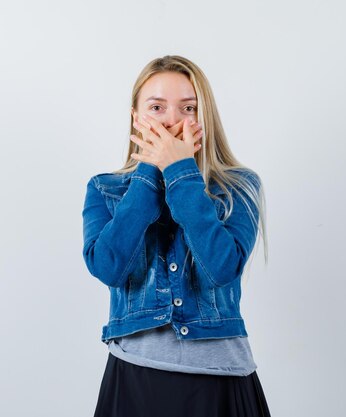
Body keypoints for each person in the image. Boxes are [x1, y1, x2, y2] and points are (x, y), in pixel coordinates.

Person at [81, 55, 272, 417]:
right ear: (136, 116)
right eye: (156, 107)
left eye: (188, 107)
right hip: (135, 374)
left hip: (222, 377)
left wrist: (181, 172)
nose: (171, 120)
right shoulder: (104, 188)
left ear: (204, 118)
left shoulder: (240, 187)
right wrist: (149, 173)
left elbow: (221, 267)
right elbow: (108, 267)